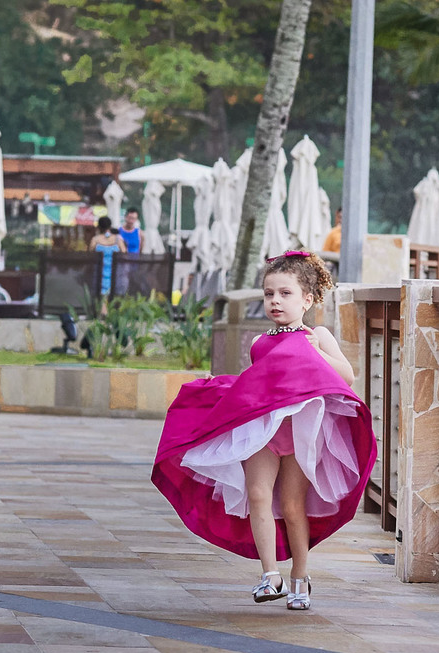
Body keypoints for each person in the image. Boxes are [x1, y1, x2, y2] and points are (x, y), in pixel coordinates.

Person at [152, 250, 375, 611]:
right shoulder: (260, 343)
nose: (275, 301)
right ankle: (270, 575)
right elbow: (254, 387)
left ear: (307, 298)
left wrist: (319, 352)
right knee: (257, 494)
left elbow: (346, 376)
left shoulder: (317, 336)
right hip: (261, 434)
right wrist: (217, 387)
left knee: (290, 505)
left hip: (300, 433)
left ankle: (300, 576)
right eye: (269, 294)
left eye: (285, 294)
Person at [89, 215, 126, 300]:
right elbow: (124, 254)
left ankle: (103, 311)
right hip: (115, 273)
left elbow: (90, 255)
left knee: (101, 297)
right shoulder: (118, 239)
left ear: (98, 227)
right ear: (110, 226)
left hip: (99, 273)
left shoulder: (95, 240)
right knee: (114, 297)